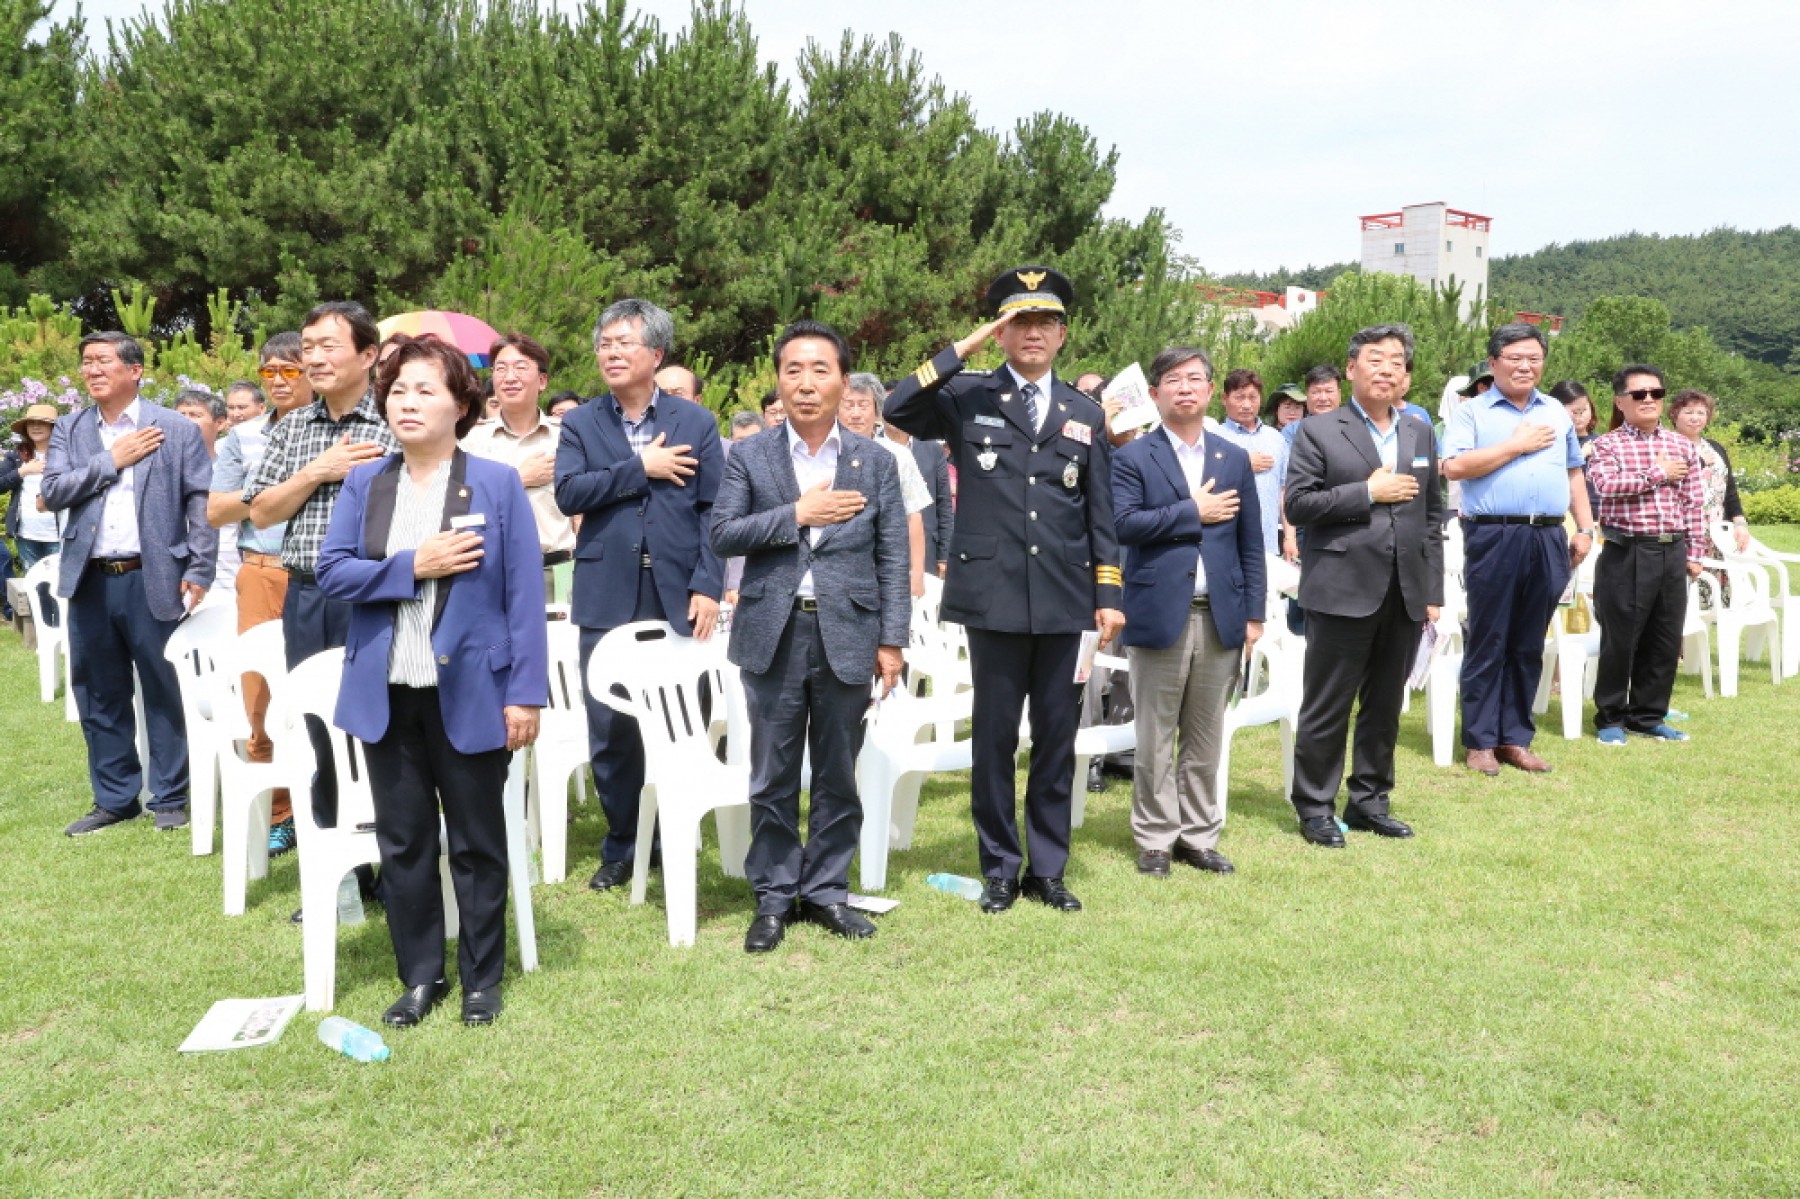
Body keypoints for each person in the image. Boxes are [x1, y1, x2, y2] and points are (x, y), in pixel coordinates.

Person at [316, 334, 547, 1028]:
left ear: (461, 403)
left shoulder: (497, 482)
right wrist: (415, 562)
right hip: (386, 692)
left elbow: (523, 594)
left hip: (474, 691)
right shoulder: (366, 482)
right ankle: (421, 976)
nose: (406, 402)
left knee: (477, 842)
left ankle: (482, 980)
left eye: (425, 389)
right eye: (397, 390)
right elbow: (333, 572)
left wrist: (525, 691)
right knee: (405, 843)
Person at [885, 265, 1123, 915]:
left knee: (1054, 737)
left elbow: (1100, 510)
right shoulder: (968, 396)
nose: (1033, 334)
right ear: (1001, 331)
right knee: (993, 738)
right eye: (1019, 321)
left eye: (1045, 322)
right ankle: (999, 865)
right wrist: (964, 346)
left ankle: (1047, 868)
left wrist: (1109, 592)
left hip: (1066, 598)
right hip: (991, 597)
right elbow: (896, 405)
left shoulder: (1085, 411)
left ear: (1063, 334)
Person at [711, 320, 909, 952]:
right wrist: (796, 514)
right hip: (773, 628)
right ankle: (772, 895)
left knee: (837, 772)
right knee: (770, 773)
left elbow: (893, 556)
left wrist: (893, 640)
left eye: (819, 369)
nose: (805, 383)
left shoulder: (876, 461)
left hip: (849, 630)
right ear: (778, 379)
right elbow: (723, 534)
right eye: (793, 369)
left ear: (843, 381)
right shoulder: (750, 455)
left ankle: (825, 890)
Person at [554, 298, 724, 894]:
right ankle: (624, 844)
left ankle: (676, 827)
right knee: (611, 726)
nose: (611, 353)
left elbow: (715, 512)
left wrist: (708, 583)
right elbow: (570, 494)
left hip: (679, 592)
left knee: (683, 718)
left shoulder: (695, 423)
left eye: (624, 343)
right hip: (605, 590)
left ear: (655, 354)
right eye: (604, 344)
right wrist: (639, 465)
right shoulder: (580, 423)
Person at [45, 332, 217, 835]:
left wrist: (200, 568)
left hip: (154, 574)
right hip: (90, 580)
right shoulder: (71, 429)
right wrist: (111, 461)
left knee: (163, 686)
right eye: (86, 363)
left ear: (135, 370)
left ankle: (169, 795)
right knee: (99, 692)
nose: (92, 370)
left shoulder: (174, 428)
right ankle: (115, 798)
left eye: (102, 361)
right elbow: (53, 491)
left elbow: (200, 502)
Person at [244, 301, 400, 842]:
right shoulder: (293, 429)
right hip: (308, 597)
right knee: (316, 725)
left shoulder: (396, 417)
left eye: (327, 346)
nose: (313, 358)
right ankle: (337, 867)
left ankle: (391, 856)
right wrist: (318, 471)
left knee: (383, 723)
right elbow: (261, 510)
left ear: (369, 355)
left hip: (381, 594)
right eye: (307, 348)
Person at [1284, 324, 1443, 847]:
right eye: (1375, 359)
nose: (1386, 369)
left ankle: (1371, 800)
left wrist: (1432, 591)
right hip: (1341, 585)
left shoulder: (1419, 431)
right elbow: (1300, 505)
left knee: (1384, 703)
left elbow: (1432, 515)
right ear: (1351, 368)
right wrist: (1366, 492)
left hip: (1405, 590)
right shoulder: (1320, 430)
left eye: (1396, 361)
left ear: (1405, 375)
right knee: (1328, 703)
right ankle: (1315, 807)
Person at [1113, 346, 1264, 876]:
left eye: (1195, 379)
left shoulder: (1232, 457)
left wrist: (1254, 614)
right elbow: (1123, 525)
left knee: (1205, 733)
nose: (1185, 387)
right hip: (1158, 609)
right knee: (1155, 732)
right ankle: (1155, 836)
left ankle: (1197, 835)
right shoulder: (1133, 457)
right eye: (1173, 379)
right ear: (1154, 394)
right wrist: (1190, 513)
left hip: (1221, 612)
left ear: (1209, 390)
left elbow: (1250, 543)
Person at [1442, 323, 1594, 777]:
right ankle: (1480, 741)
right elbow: (1454, 467)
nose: (1525, 365)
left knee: (1529, 641)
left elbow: (1573, 473)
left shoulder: (1556, 412)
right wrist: (1515, 445)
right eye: (1515, 357)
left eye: (1534, 357)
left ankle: (1515, 737)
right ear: (1494, 363)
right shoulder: (1472, 412)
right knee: (1489, 638)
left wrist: (1584, 527)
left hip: (1548, 536)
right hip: (1494, 534)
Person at [208, 332, 313, 855]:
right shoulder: (241, 439)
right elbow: (216, 510)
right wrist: (279, 491)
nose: (277, 380)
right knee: (261, 698)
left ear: (313, 372)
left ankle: (327, 802)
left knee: (321, 691)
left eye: (289, 370)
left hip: (320, 575)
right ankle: (279, 812)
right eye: (269, 371)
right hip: (262, 573)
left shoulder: (334, 433)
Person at [1585, 368, 1707, 745]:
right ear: (1621, 402)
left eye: (1655, 392)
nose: (1649, 399)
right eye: (1639, 394)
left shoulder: (1682, 445)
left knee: (1664, 638)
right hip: (1628, 551)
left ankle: (1648, 715)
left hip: (1672, 551)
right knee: (1621, 638)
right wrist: (1657, 473)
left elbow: (1695, 502)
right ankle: (1610, 717)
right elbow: (1606, 486)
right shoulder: (1607, 445)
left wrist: (1696, 550)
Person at [460, 333, 575, 602]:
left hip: (558, 570)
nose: (509, 377)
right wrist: (517, 478)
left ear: (543, 380)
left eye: (520, 367)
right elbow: (460, 506)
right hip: (491, 572)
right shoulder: (470, 440)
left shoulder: (567, 437)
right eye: (500, 369)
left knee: (560, 644)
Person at [841, 372, 931, 596]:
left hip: (888, 567)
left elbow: (914, 516)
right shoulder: (824, 453)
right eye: (848, 405)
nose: (855, 414)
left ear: (877, 411)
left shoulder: (899, 456)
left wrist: (917, 573)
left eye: (863, 405)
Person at [1211, 368, 1287, 554]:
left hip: (1268, 541)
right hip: (1226, 543)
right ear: (1224, 399)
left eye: (1253, 397)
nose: (1246, 405)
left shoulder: (1276, 438)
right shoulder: (1213, 438)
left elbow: (1284, 490)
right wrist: (1242, 465)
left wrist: (1290, 536)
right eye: (1239, 397)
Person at [1667, 389, 1749, 554]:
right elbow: (1667, 482)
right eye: (1688, 412)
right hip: (1683, 531)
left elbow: (1730, 490)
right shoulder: (1667, 446)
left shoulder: (1715, 447)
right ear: (1675, 414)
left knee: (1716, 578)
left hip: (1717, 531)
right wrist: (1699, 462)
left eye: (1701, 413)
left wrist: (1740, 523)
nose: (1695, 418)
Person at [176, 390, 237, 594]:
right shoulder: (161, 471)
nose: (185, 422)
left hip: (228, 585)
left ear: (220, 423)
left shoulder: (233, 472)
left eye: (194, 415)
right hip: (176, 584)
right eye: (180, 415)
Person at [4, 403, 62, 574]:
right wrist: (22, 471)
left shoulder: (66, 453)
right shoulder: (18, 455)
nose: (36, 426)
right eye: (31, 423)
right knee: (32, 585)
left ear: (53, 427)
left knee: (59, 586)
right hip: (26, 533)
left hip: (58, 534)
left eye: (42, 422)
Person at [1548, 379, 1602, 519]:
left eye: (1583, 410)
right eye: (1574, 411)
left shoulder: (1601, 441)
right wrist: (1580, 455)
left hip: (1601, 514)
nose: (1579, 417)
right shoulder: (1549, 441)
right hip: (1566, 515)